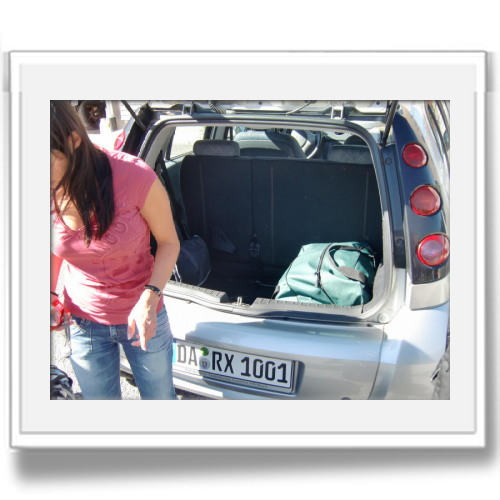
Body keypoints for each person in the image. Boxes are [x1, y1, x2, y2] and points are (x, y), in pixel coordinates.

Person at [50, 100, 180, 400]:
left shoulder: (134, 177)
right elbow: (53, 244)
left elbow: (169, 242)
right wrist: (49, 293)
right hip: (82, 321)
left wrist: (150, 298)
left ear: (73, 140)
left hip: (143, 316)